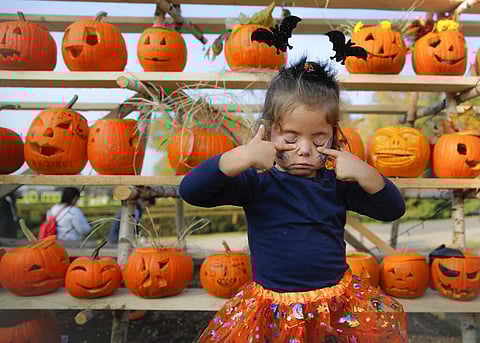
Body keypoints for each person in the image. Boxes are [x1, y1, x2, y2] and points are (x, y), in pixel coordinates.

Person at [179, 56, 408, 342]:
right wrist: (238, 157)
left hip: (333, 307)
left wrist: (367, 174)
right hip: (272, 310)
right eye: (290, 137)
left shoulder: (336, 183)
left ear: (334, 135)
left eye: (319, 138)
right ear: (271, 130)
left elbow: (393, 209)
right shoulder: (256, 182)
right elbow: (192, 191)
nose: (304, 149)